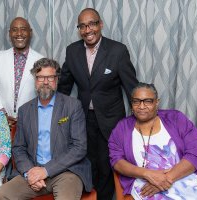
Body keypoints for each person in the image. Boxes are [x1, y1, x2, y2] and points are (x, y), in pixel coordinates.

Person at [57, 7, 138, 200]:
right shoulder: (72, 50)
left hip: (111, 121)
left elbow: (131, 87)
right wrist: (56, 115)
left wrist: (138, 122)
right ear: (79, 29)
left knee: (106, 166)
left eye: (92, 24)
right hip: (82, 119)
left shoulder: (118, 50)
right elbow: (64, 87)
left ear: (100, 24)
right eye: (82, 26)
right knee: (86, 163)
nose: (88, 30)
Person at [0, 58, 92, 200]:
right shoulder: (25, 110)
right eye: (40, 77)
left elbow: (79, 147)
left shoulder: (72, 106)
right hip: (33, 170)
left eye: (50, 77)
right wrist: (30, 174)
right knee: (3, 194)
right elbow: (19, 147)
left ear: (57, 80)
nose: (45, 82)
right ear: (35, 80)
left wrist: (46, 171)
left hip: (66, 172)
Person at [108, 82, 197, 199]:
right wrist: (147, 174)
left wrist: (166, 179)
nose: (141, 106)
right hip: (145, 183)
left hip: (185, 175)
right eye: (136, 101)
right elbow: (116, 161)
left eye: (148, 101)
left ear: (156, 102)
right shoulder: (122, 128)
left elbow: (196, 153)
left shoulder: (176, 119)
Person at [0, 17, 43, 130]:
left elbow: (44, 95)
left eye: (23, 29)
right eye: (14, 29)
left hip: (31, 122)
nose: (19, 33)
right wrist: (2, 114)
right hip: (3, 122)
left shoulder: (41, 60)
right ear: (9, 33)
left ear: (30, 32)